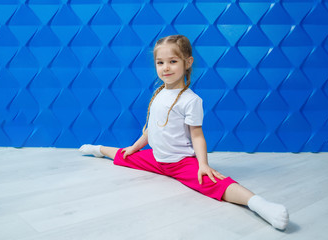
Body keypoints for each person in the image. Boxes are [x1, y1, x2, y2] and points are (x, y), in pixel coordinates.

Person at [79, 35, 289, 230]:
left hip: (181, 163)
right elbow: (152, 129)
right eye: (160, 63)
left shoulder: (191, 100)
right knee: (124, 155)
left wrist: (203, 164)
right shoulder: (159, 93)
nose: (166, 68)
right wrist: (134, 147)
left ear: (187, 63)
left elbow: (197, 135)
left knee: (215, 183)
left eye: (173, 61)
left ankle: (260, 205)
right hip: (156, 158)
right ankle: (98, 149)